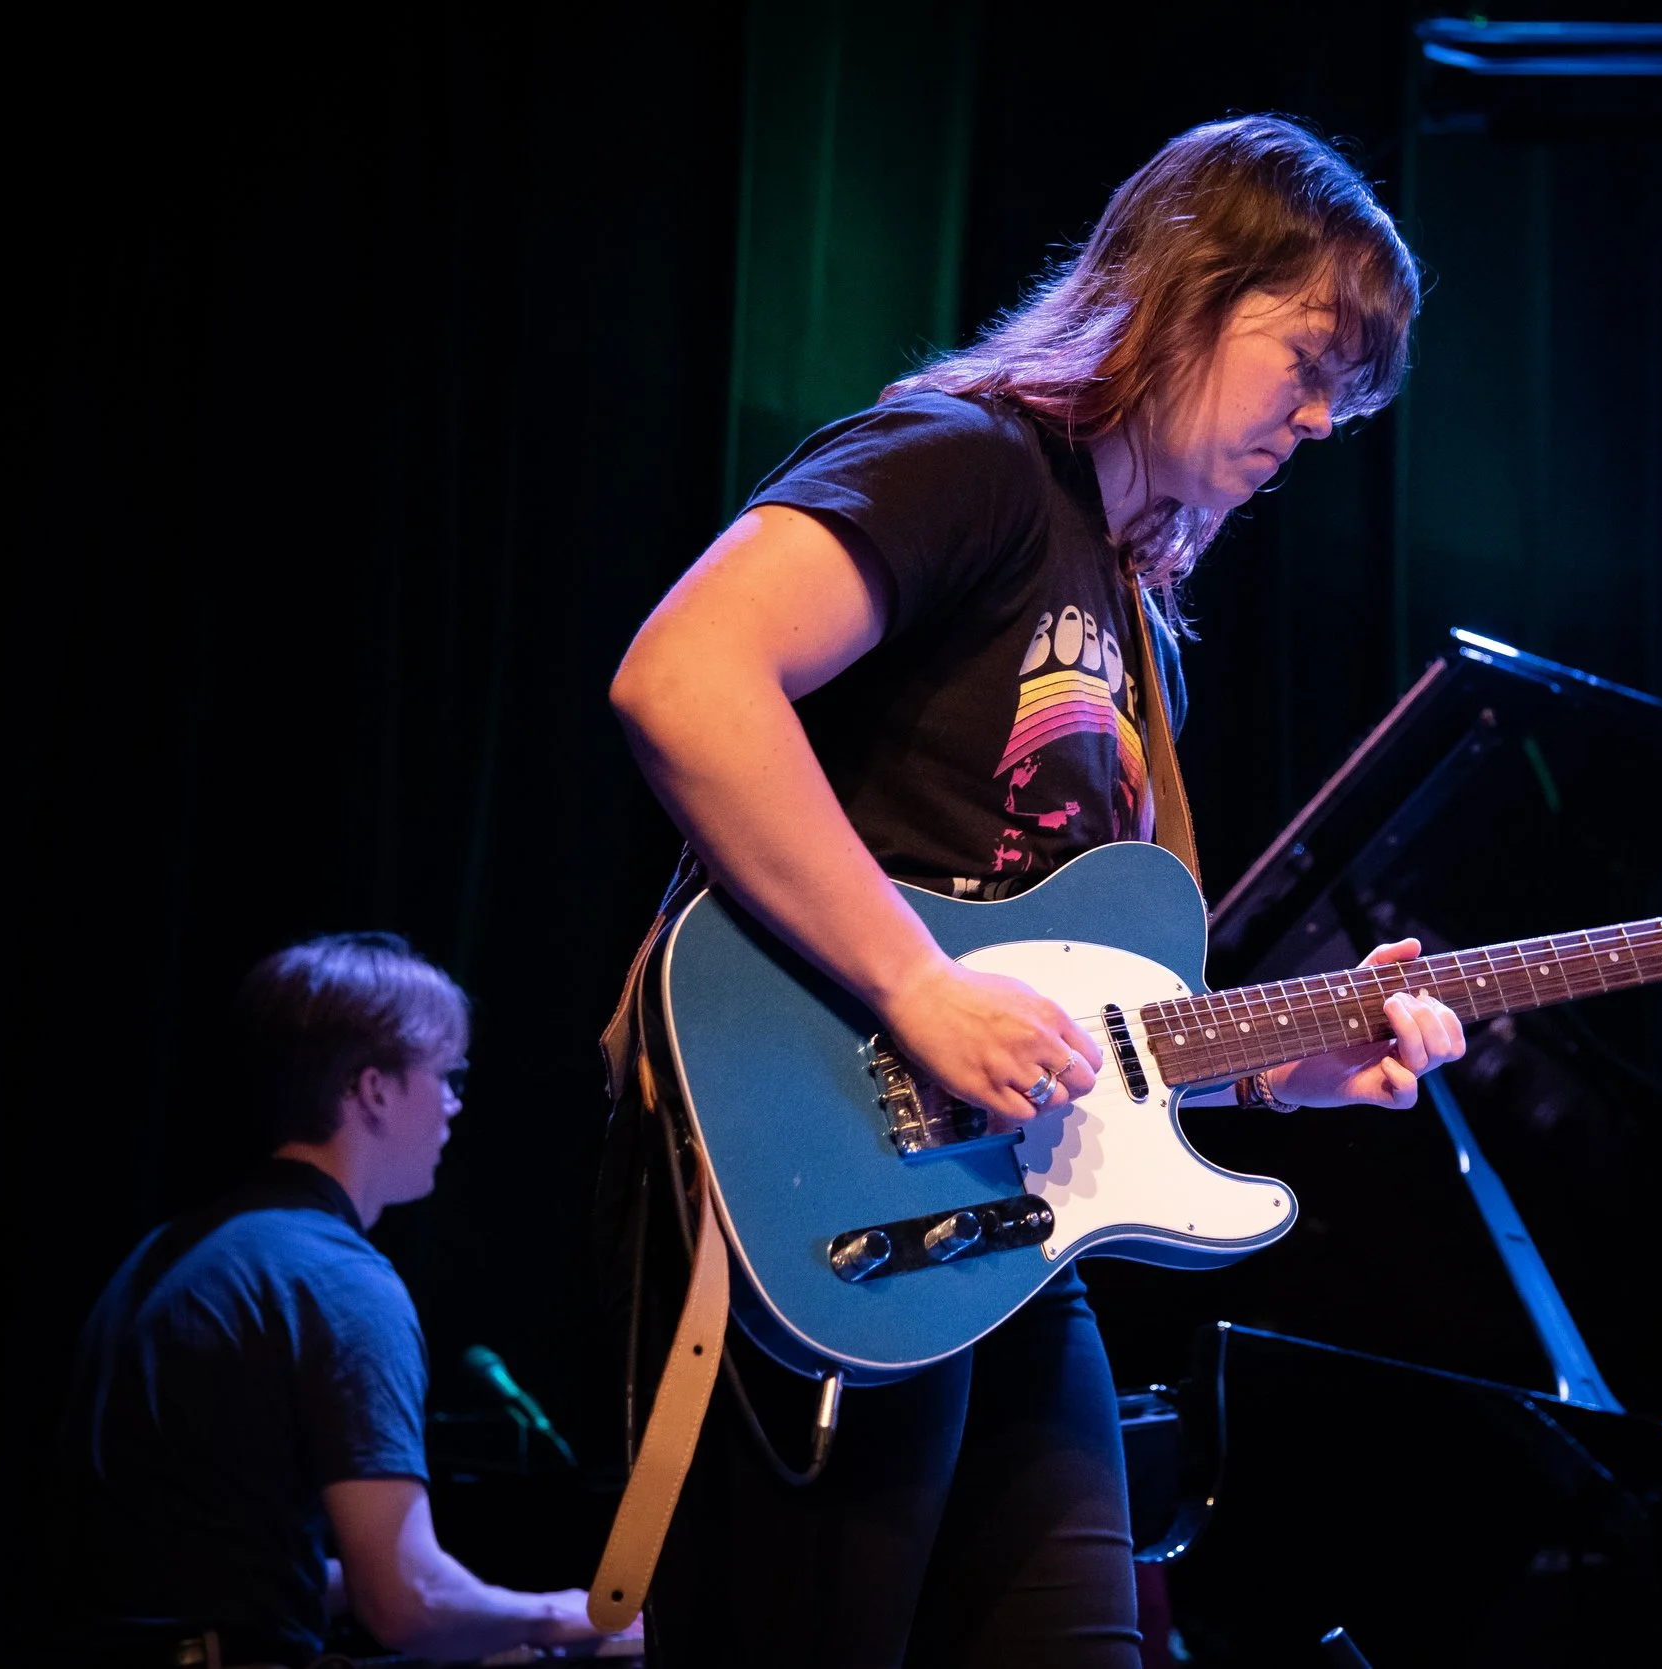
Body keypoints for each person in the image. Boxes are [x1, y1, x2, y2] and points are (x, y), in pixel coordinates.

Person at [604, 115, 1466, 1665]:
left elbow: (1072, 981)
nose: (1326, 421)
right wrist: (918, 988)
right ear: (1188, 292)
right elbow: (684, 676)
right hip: (816, 1183)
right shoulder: (968, 463)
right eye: (1309, 358)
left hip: (1015, 1213)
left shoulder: (1135, 621)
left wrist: (1284, 1065)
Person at [53, 932, 627, 1667]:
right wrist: (570, 1613)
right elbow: (405, 1603)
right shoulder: (340, 1278)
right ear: (374, 1088)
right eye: (447, 1073)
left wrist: (492, 1614)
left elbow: (208, 1567)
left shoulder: (172, 1257)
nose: (454, 1104)